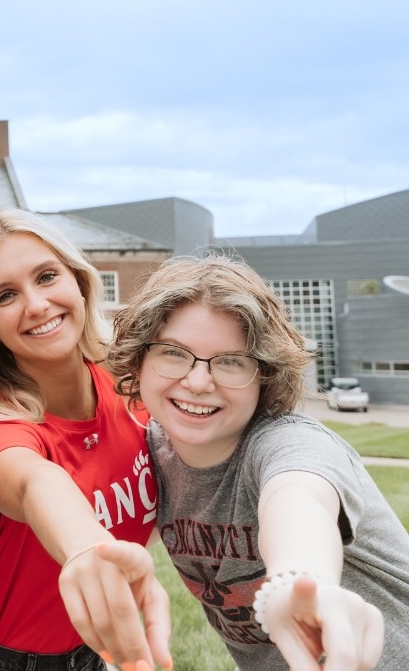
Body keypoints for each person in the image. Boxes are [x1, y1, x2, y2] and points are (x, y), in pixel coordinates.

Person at [104, 254, 405, 670]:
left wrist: (299, 582)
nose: (197, 381)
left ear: (264, 377)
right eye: (173, 353)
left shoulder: (290, 444)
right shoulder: (147, 456)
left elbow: (299, 499)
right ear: (139, 361)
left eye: (230, 361)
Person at [0, 209, 170, 671]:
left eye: (46, 276)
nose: (37, 305)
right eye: (5, 296)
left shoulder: (133, 388)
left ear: (79, 281)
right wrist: (85, 550)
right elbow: (34, 483)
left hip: (88, 657)